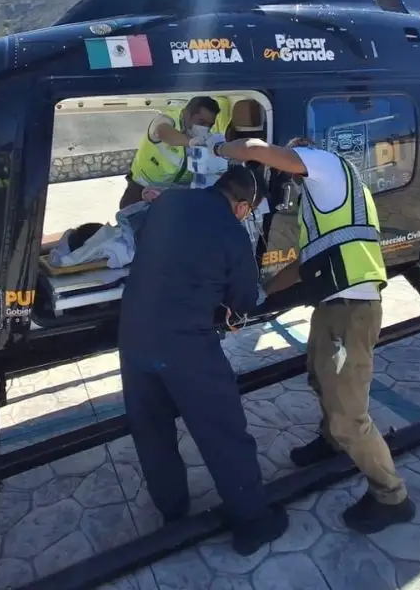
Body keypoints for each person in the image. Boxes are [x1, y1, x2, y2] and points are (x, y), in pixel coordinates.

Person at [214, 135, 417, 535]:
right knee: (320, 379)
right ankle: (331, 441)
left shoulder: (328, 166)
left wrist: (215, 149)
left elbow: (255, 149)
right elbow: (306, 265)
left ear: (306, 152)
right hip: (332, 307)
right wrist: (261, 294)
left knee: (349, 414)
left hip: (352, 310)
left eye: (293, 157)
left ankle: (391, 497)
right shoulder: (322, 201)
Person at [117, 164, 289, 555]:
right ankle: (253, 522)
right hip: (185, 345)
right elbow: (243, 300)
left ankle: (173, 513)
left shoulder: (169, 202)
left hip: (133, 336)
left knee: (152, 430)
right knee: (223, 432)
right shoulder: (233, 232)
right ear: (244, 207)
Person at [118, 96, 221, 209]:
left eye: (209, 124)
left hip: (176, 193)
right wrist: (191, 142)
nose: (205, 128)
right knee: (131, 222)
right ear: (186, 114)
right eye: (201, 122)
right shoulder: (167, 119)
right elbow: (164, 132)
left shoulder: (207, 135)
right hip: (142, 187)